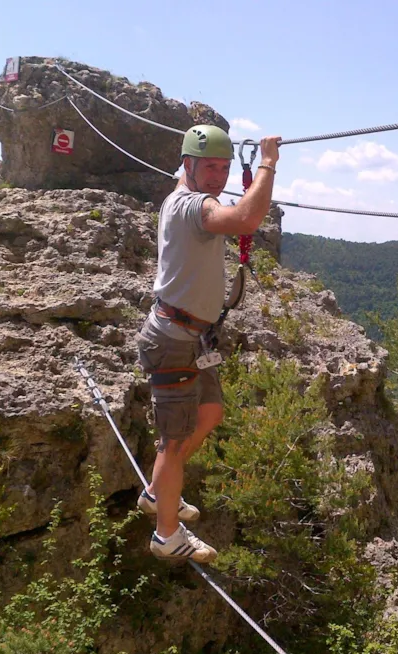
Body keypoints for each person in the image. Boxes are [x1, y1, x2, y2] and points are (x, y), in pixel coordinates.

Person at [135, 124, 280, 563]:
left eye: (224, 167)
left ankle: (159, 493)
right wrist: (269, 164)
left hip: (192, 337)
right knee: (174, 443)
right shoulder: (190, 206)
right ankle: (166, 534)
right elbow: (246, 220)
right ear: (188, 165)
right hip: (174, 340)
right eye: (209, 167)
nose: (218, 176)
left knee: (210, 413)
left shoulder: (186, 195)